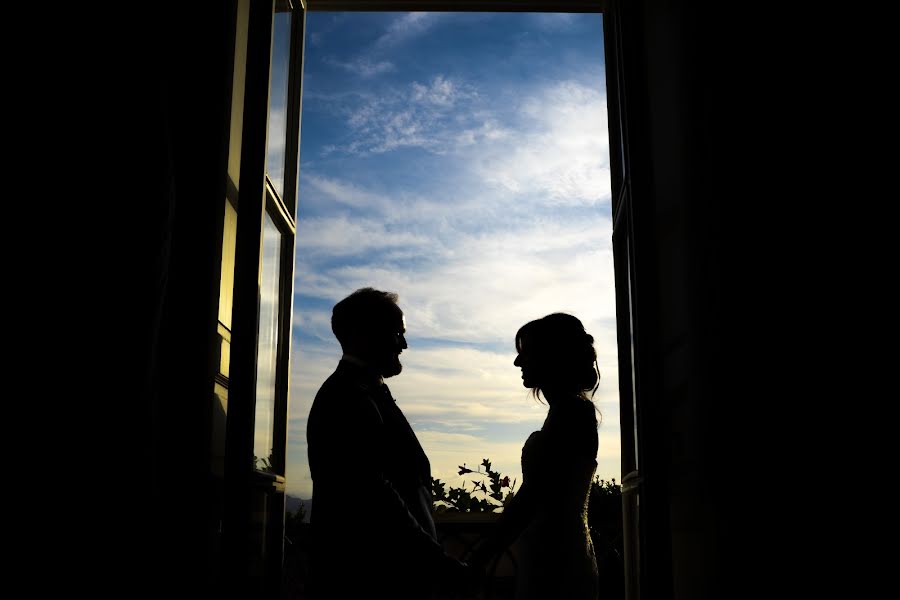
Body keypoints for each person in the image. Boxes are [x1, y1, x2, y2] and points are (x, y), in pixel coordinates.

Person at [306, 287, 475, 599]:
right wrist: (436, 561)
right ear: (363, 335)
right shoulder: (348, 397)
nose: (404, 344)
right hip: (373, 578)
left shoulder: (358, 391)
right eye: (397, 333)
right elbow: (375, 495)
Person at [470, 313, 601, 600]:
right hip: (551, 551)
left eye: (526, 353)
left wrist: (480, 555)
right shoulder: (569, 411)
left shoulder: (572, 413)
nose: (518, 362)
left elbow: (533, 496)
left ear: (552, 356)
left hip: (557, 559)